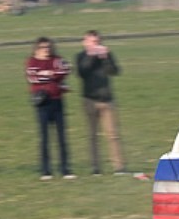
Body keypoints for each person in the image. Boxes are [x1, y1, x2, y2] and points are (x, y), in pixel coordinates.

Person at [75, 30, 126, 175]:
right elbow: (82, 73)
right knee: (93, 135)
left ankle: (119, 166)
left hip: (107, 100)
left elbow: (114, 71)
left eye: (97, 42)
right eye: (92, 42)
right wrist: (91, 57)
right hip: (90, 100)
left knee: (113, 135)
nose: (95, 45)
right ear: (85, 42)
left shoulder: (107, 55)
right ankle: (95, 167)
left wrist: (105, 58)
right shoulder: (80, 57)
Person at [26, 37, 73, 179]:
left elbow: (65, 70)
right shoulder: (32, 61)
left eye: (48, 47)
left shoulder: (57, 59)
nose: (46, 49)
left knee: (62, 137)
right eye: (42, 47)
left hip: (57, 101)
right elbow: (33, 78)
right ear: (36, 48)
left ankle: (65, 169)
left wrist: (49, 75)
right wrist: (51, 76)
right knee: (44, 137)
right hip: (42, 104)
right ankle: (45, 170)